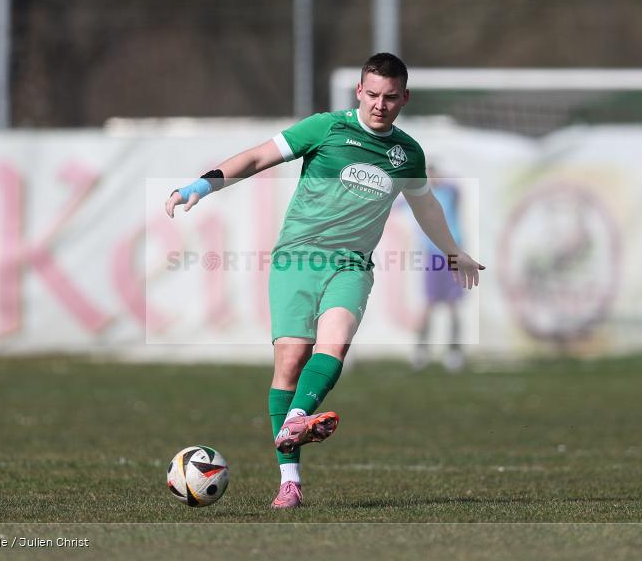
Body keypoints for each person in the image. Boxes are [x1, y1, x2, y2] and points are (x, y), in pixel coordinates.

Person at [166, 53, 484, 509]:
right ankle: (289, 480)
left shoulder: (408, 153)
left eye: (390, 98)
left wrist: (453, 251)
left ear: (404, 98)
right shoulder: (326, 128)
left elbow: (425, 204)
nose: (380, 105)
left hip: (351, 265)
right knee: (291, 361)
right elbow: (258, 157)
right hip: (296, 259)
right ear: (359, 91)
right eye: (372, 94)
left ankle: (297, 417)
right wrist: (201, 185)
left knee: (333, 346)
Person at [409, 167, 467, 372]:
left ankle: (455, 351)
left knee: (453, 304)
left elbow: (457, 188)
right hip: (432, 255)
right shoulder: (420, 199)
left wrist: (439, 176)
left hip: (452, 254)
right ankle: (421, 350)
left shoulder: (449, 192)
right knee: (429, 304)